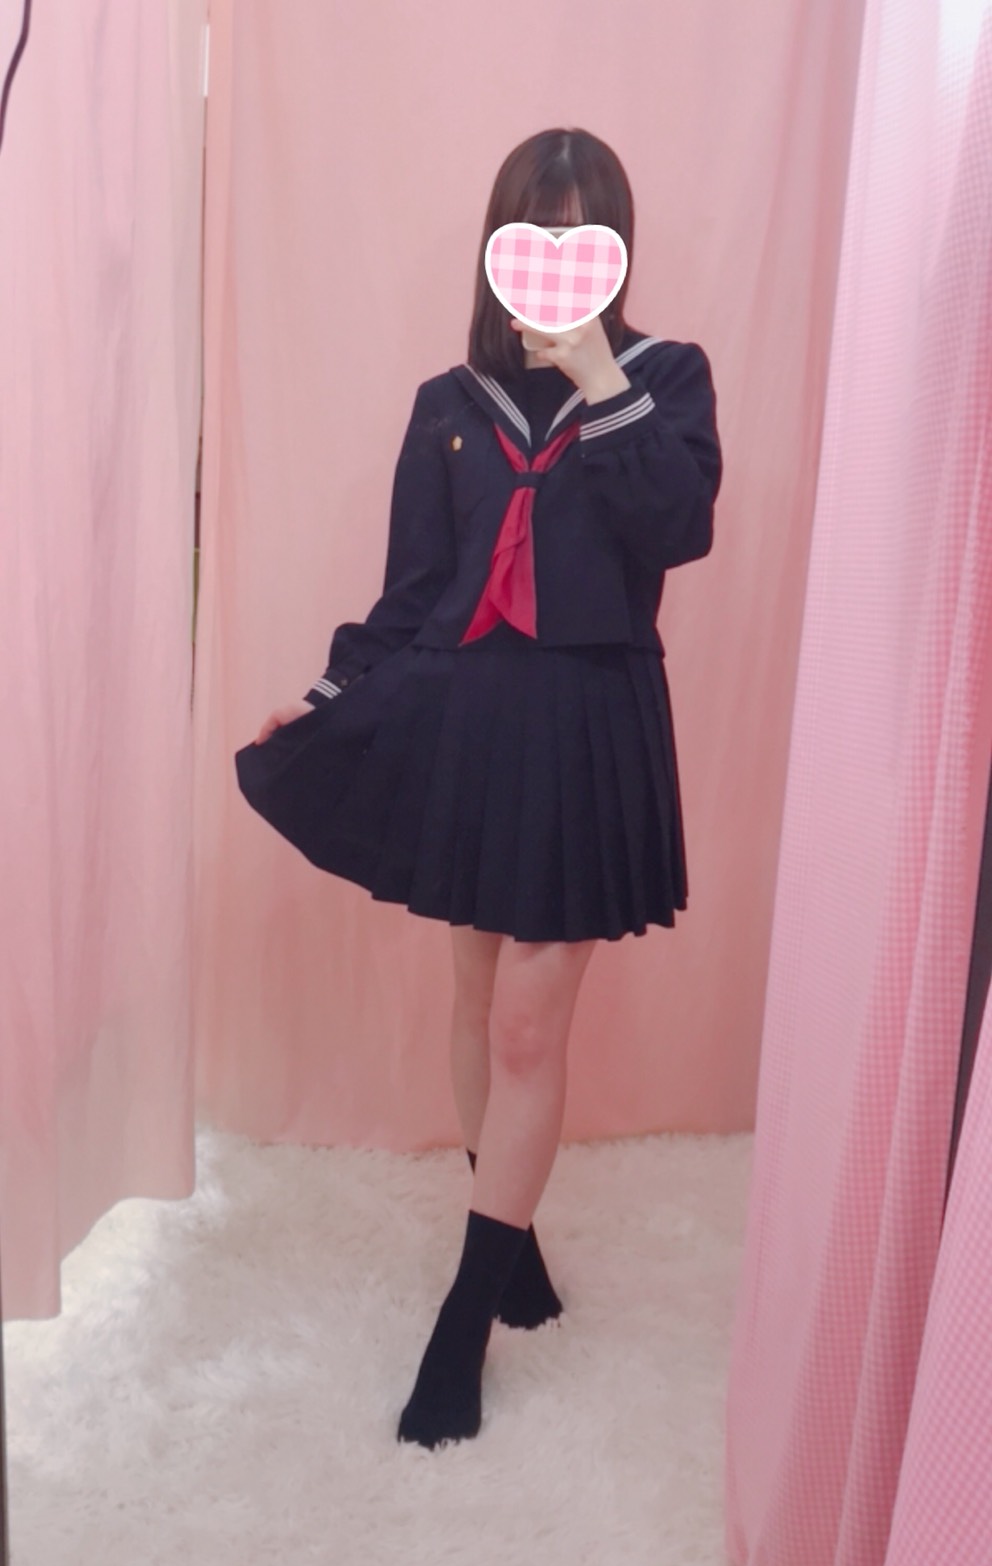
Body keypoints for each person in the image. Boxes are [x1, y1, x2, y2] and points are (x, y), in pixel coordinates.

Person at [234, 126, 722, 1451]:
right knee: (471, 998)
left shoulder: (663, 378)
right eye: (534, 229)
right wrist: (328, 694)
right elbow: (413, 594)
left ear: (614, 249)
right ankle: (520, 1254)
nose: (556, 254)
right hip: (466, 722)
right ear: (500, 247)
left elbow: (678, 528)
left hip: (586, 726)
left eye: (581, 231)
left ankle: (463, 1325)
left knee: (524, 1033)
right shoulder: (447, 403)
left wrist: (600, 380)